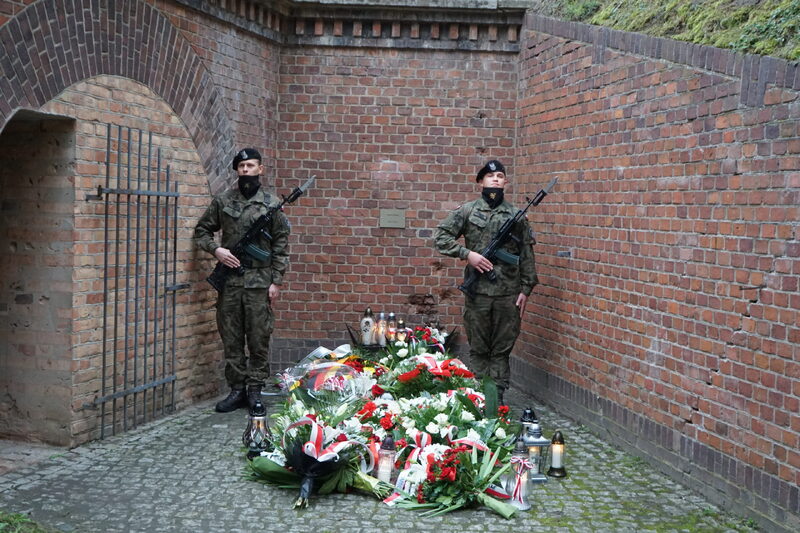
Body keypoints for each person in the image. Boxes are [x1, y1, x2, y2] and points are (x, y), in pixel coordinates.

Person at [434, 160, 539, 404]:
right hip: (478, 293)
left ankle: (497, 401)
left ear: (506, 182)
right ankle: (479, 398)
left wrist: (526, 289)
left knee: (501, 350)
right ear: (480, 182)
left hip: (508, 294)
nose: (495, 180)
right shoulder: (468, 211)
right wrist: (467, 255)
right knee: (479, 348)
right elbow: (441, 237)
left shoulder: (516, 216)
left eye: (500, 176)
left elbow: (527, 254)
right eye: (490, 176)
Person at [194, 148, 290, 412]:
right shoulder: (223, 201)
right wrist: (217, 250)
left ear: (261, 169)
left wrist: (276, 281)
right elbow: (202, 231)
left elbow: (281, 245)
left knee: (259, 338)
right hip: (231, 283)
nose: (246, 170)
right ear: (237, 171)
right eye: (241, 166)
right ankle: (237, 390)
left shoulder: (272, 205)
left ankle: (255, 390)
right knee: (232, 337)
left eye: (251, 165)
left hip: (260, 283)